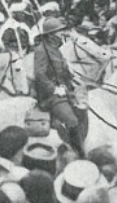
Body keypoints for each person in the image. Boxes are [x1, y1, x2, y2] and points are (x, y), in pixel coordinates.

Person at [33, 18, 83, 154]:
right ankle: (77, 152)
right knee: (72, 121)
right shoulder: (41, 50)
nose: (63, 33)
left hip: (64, 90)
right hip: (49, 96)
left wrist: (72, 76)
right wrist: (54, 89)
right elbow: (39, 75)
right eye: (60, 31)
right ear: (51, 34)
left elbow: (61, 69)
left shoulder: (55, 49)